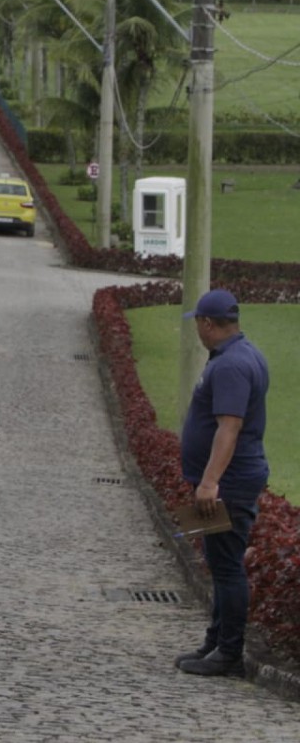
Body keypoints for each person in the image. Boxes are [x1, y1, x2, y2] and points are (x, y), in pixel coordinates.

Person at [174, 289, 269, 677]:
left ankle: (228, 652)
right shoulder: (239, 354)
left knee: (227, 566)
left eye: (198, 321)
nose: (197, 328)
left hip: (228, 482)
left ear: (208, 324)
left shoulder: (231, 365)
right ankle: (215, 642)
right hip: (225, 478)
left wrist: (210, 483)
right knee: (218, 562)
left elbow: (229, 428)